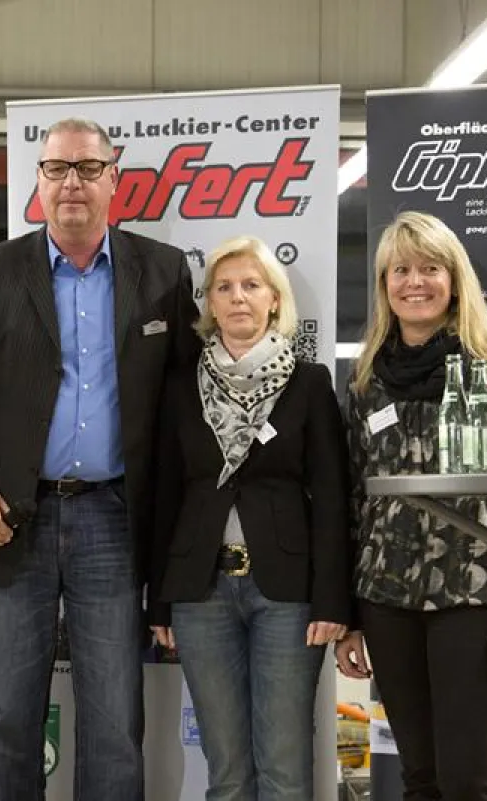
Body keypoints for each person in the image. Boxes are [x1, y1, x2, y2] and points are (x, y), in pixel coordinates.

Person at [0, 116, 200, 801]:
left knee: (115, 724)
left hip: (115, 520)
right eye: (57, 169)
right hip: (13, 520)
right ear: (39, 183)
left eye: (87, 168)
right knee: (7, 720)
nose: (72, 183)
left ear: (115, 179)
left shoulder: (162, 273)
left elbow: (180, 417)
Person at [334, 211, 487, 801]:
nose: (415, 282)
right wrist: (350, 614)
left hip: (474, 598)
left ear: (453, 279)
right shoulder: (365, 379)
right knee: (418, 778)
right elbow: (353, 500)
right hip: (386, 600)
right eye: (400, 270)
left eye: (430, 268)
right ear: (384, 285)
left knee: (468, 780)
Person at [149, 235, 351, 801]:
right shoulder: (179, 387)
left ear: (274, 301)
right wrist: (159, 600)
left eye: (251, 286)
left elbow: (334, 498)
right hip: (200, 593)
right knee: (227, 771)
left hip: (287, 597)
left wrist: (334, 602)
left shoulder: (309, 383)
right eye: (225, 287)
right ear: (209, 304)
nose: (238, 297)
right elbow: (165, 497)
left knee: (285, 773)